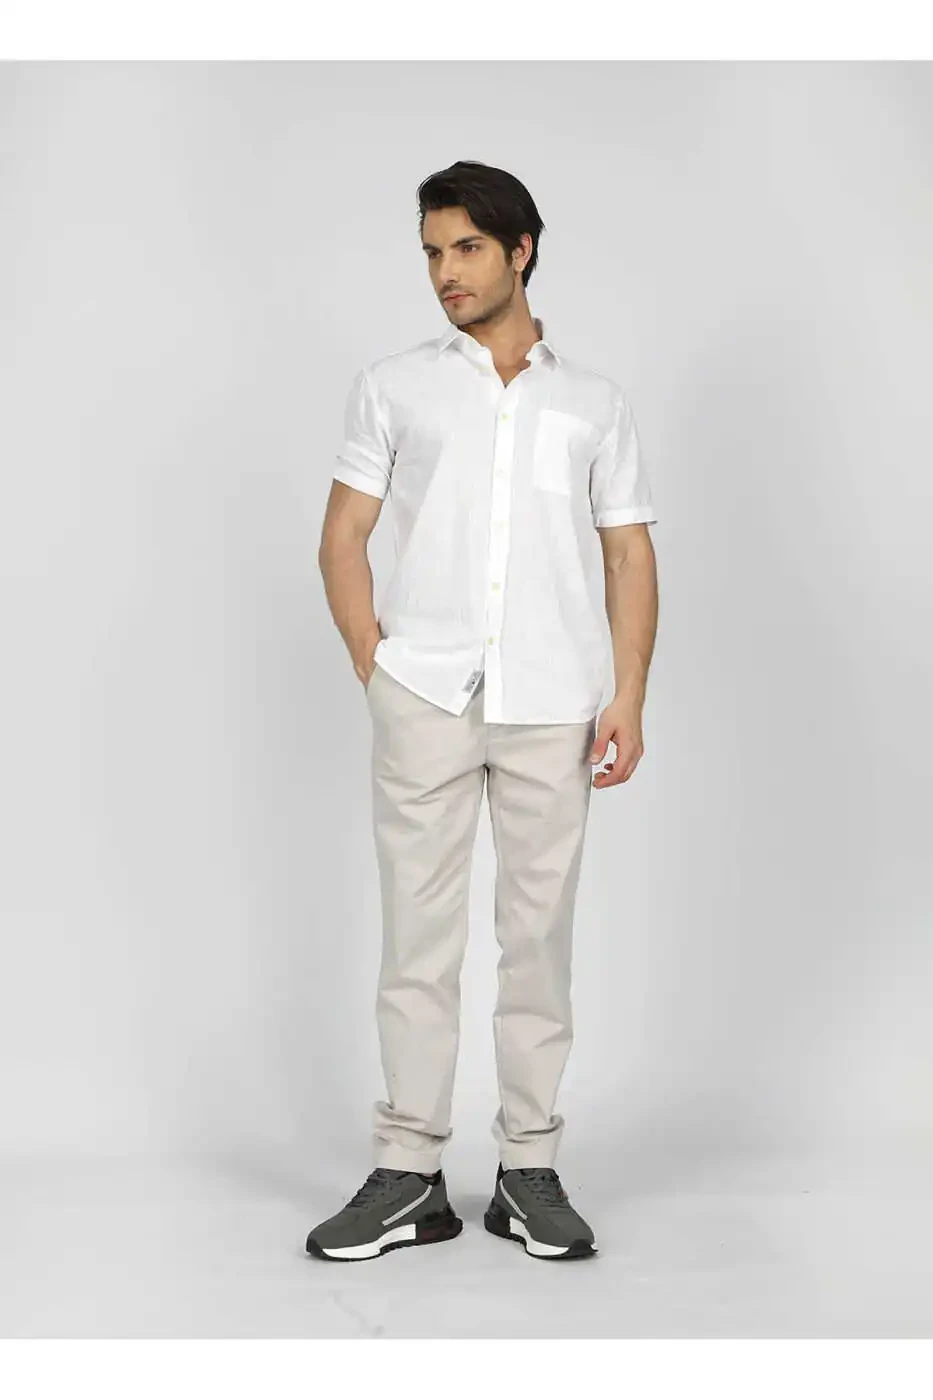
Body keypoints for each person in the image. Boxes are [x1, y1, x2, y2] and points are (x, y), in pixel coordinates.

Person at [307, 160, 658, 1264]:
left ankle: (528, 1169)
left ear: (521, 250)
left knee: (537, 940)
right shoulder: (393, 386)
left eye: (465, 247)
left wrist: (629, 693)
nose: (444, 272)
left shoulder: (593, 402)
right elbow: (342, 536)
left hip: (555, 702)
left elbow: (627, 552)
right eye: (430, 251)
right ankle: (409, 1172)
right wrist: (376, 663)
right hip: (426, 693)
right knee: (416, 940)